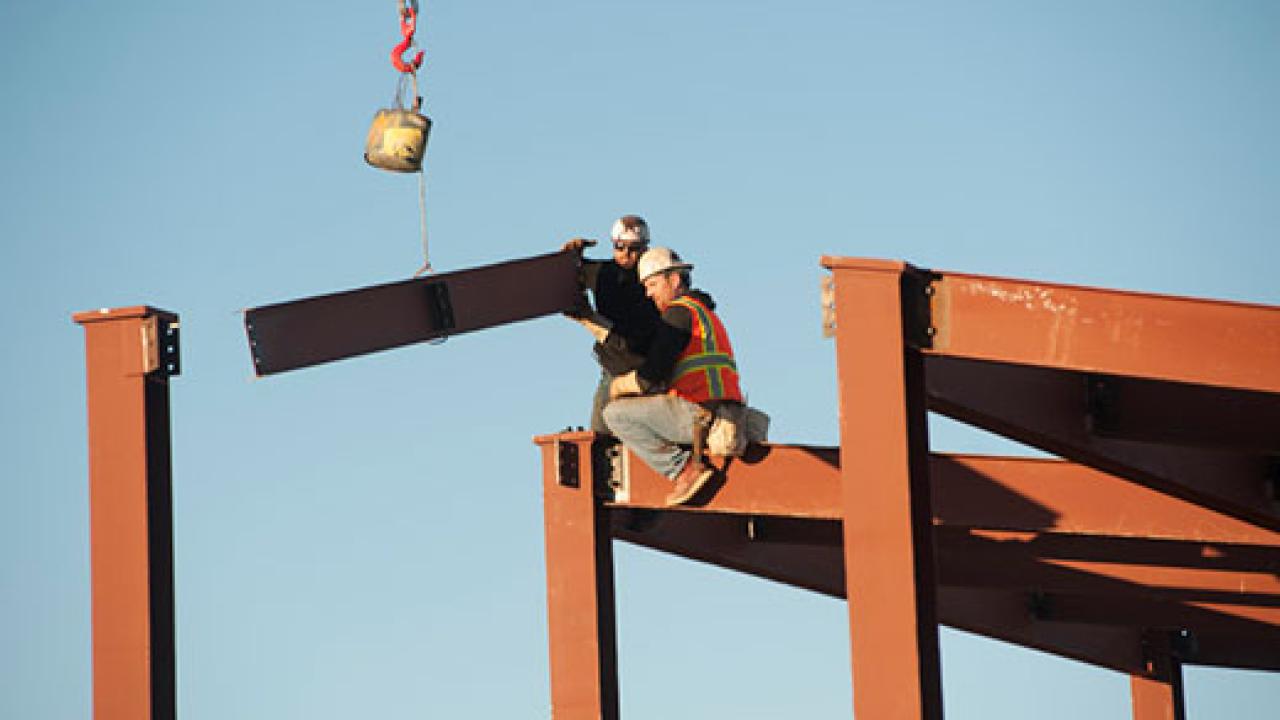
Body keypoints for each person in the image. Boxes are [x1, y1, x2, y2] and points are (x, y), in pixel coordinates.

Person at [601, 246, 744, 506]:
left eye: (653, 284)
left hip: (698, 413)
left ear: (674, 280)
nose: (648, 293)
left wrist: (621, 385)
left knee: (615, 414)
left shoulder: (678, 313)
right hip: (722, 410)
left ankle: (683, 470)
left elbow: (651, 376)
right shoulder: (703, 312)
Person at [562, 215, 662, 432]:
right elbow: (567, 275)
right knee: (600, 435)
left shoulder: (655, 281)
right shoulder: (602, 273)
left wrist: (590, 321)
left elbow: (630, 343)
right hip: (613, 368)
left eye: (634, 248)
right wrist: (570, 257)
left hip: (647, 372)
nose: (626, 254)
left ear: (645, 249)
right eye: (620, 247)